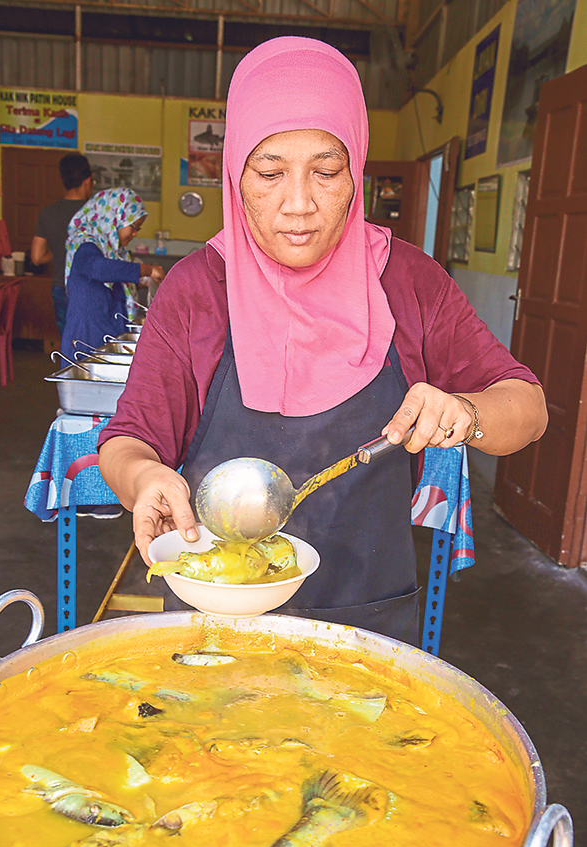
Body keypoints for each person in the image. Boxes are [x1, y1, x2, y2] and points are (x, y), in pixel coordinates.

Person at [98, 36, 548, 645]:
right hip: (216, 617)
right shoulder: (196, 290)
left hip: (365, 623)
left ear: (355, 169)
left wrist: (467, 412)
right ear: (235, 173)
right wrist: (141, 477)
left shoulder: (409, 281)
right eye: (269, 173)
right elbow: (128, 439)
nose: (299, 204)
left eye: (327, 172)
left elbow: (527, 408)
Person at [60, 187, 164, 361]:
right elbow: (98, 269)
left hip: (106, 337)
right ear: (115, 217)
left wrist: (140, 282)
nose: (134, 234)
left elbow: (110, 284)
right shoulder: (85, 243)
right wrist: (146, 269)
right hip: (86, 341)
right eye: (133, 227)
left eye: (138, 229)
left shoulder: (112, 252)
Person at [31, 153, 94, 337]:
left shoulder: (48, 212)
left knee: (68, 339)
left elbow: (37, 257)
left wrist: (60, 251)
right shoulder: (96, 213)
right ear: (88, 181)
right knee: (92, 342)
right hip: (90, 288)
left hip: (61, 287)